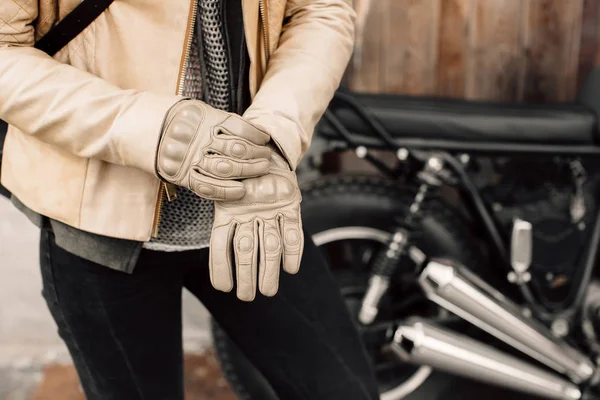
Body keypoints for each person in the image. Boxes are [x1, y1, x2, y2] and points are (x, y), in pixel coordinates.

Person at [0, 0, 380, 399]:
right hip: (97, 230)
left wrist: (274, 131)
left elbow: (320, 11)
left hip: (257, 207)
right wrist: (155, 129)